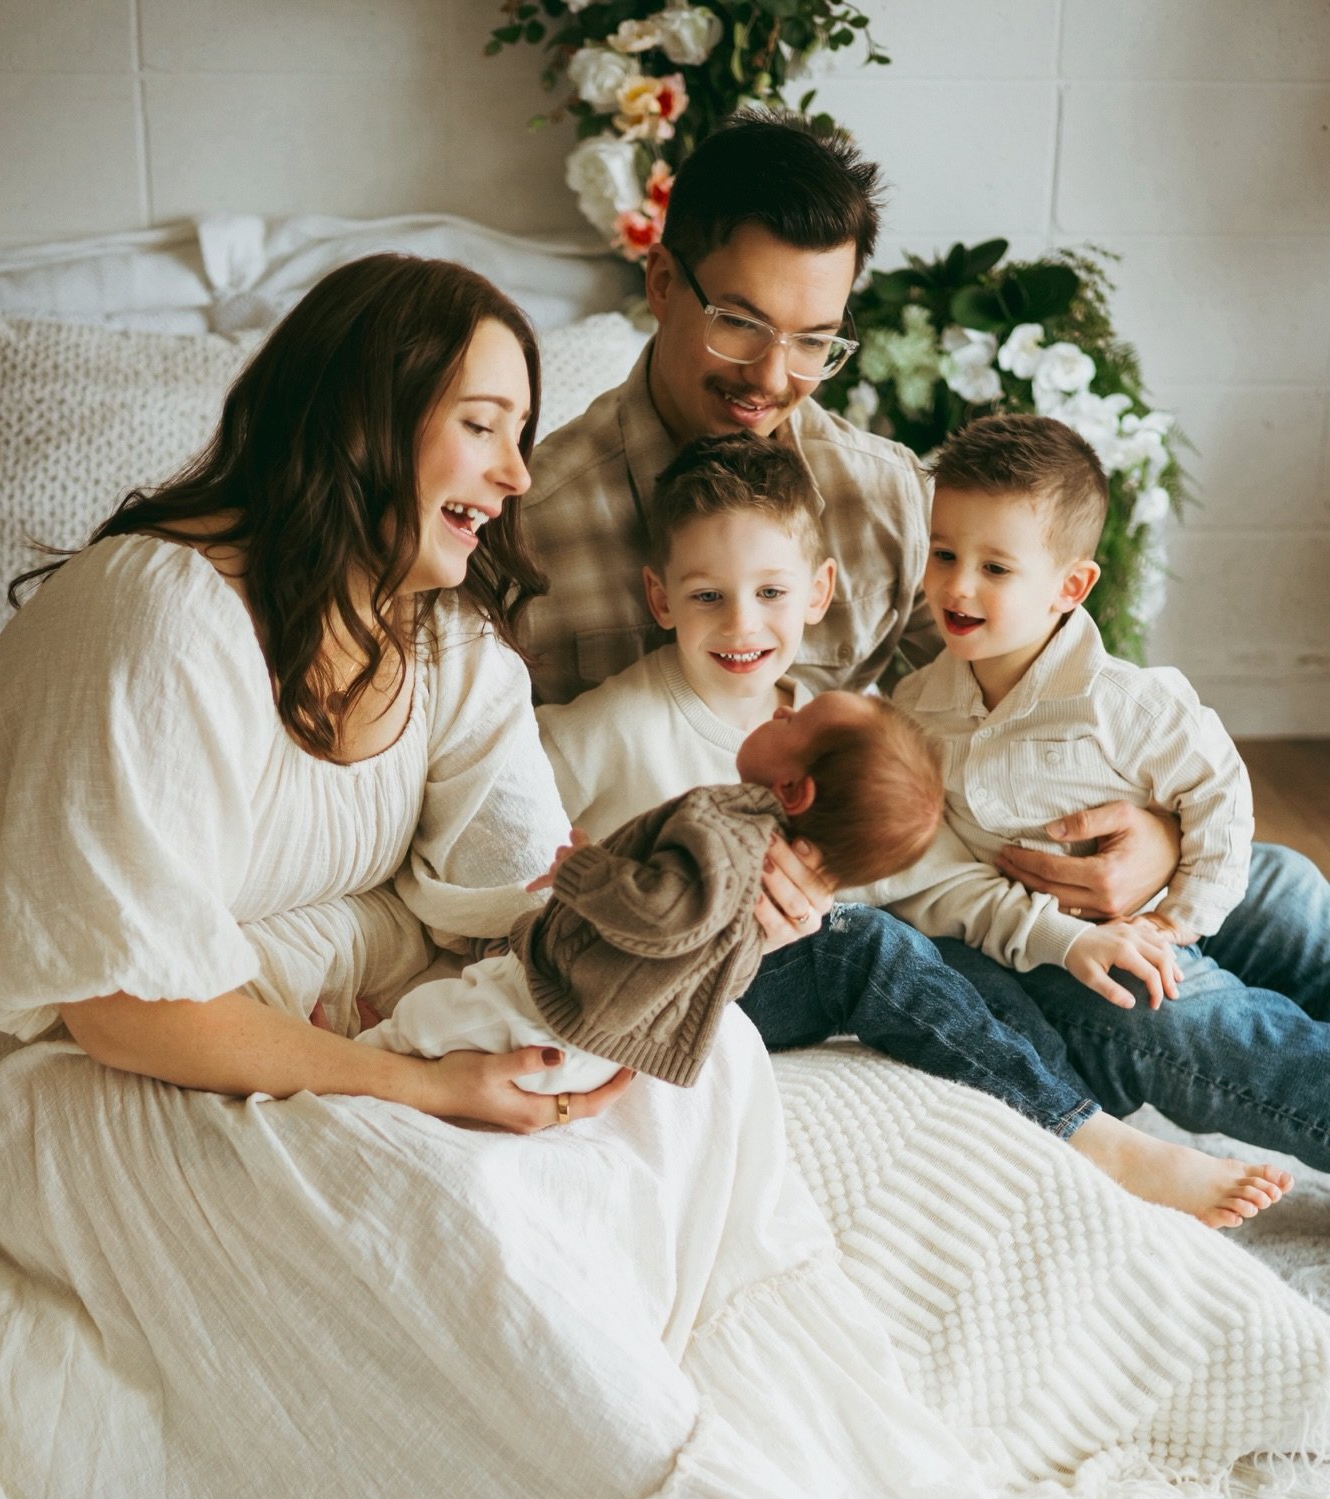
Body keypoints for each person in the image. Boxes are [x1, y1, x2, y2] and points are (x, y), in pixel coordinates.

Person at [0, 252, 1121, 1499]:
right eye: (481, 424)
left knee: (706, 1073)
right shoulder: (145, 615)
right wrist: (422, 1082)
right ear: (367, 412)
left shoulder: (450, 643)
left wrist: (731, 887)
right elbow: (125, 1000)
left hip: (288, 1009)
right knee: (412, 1208)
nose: (516, 473)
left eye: (522, 429)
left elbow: (517, 895)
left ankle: (730, 1497)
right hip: (53, 1066)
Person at [519, 104, 1330, 1070]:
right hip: (850, 915)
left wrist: (1158, 836)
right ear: (660, 281)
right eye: (740, 325)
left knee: (1283, 888)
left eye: (815, 340)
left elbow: (975, 713)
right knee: (1169, 1004)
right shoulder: (530, 528)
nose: (773, 378)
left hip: (983, 852)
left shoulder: (884, 495)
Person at [537, 430, 1290, 1226]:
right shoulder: (611, 726)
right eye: (705, 596)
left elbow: (926, 868)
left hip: (999, 913)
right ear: (661, 599)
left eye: (770, 593)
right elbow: (512, 849)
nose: (741, 624)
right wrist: (572, 881)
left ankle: (1087, 1098)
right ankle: (1090, 1126)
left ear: (819, 591)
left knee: (1284, 885)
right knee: (1157, 1007)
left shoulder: (837, 723)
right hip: (679, 973)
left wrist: (1157, 887)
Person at [875, 412, 1329, 1176]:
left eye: (995, 567)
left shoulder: (1124, 700)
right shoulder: (917, 713)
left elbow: (1217, 789)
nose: (956, 585)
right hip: (1063, 950)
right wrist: (1116, 941)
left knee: (1290, 890)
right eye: (945, 554)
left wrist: (1181, 918)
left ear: (1070, 586)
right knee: (1201, 1020)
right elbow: (933, 879)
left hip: (1179, 909)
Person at [361, 688, 941, 1092]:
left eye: (795, 721)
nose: (783, 707)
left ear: (793, 791)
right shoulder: (756, 858)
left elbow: (663, 916)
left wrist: (582, 869)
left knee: (435, 1016)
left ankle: (365, 1057)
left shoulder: (729, 831)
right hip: (608, 1029)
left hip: (561, 1012)